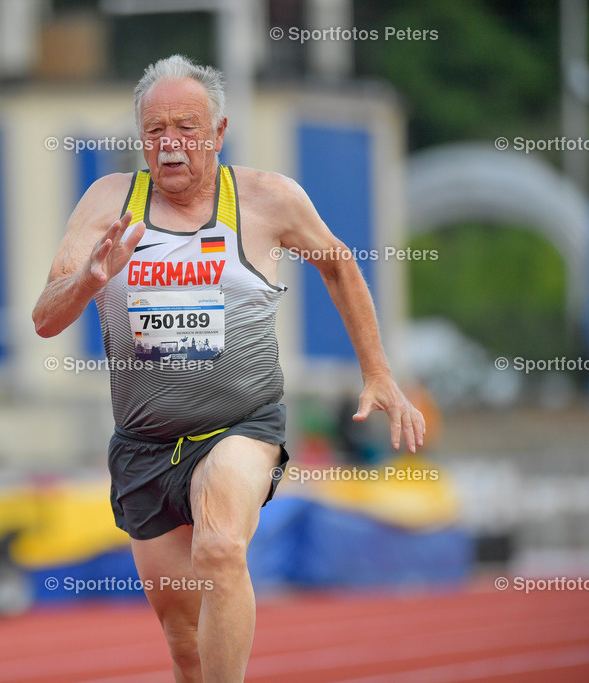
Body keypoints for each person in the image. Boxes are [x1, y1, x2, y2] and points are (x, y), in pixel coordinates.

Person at [32, 54, 425, 682]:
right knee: (183, 641)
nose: (171, 145)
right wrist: (88, 280)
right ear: (141, 140)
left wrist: (377, 372)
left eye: (187, 128)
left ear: (218, 133)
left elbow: (339, 263)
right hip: (143, 445)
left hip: (241, 424)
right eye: (156, 131)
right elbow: (45, 318)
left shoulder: (267, 198)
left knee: (220, 547)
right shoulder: (108, 202)